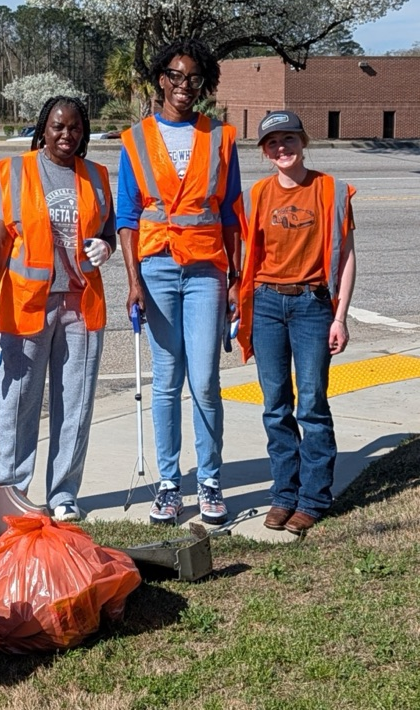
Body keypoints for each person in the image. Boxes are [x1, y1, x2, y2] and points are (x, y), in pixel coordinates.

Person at [117, 38, 244, 526]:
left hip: (207, 269)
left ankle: (209, 479)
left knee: (206, 379)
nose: (183, 86)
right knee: (167, 380)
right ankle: (170, 484)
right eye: (174, 76)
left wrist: (234, 278)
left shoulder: (220, 137)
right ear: (160, 80)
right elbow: (128, 216)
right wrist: (133, 282)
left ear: (203, 83)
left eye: (193, 78)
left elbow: (231, 213)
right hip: (157, 269)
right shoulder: (136, 139)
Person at [0, 95, 116, 522]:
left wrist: (106, 246)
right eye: (57, 126)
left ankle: (64, 495)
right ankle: (9, 489)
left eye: (74, 128)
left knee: (74, 404)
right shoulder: (17, 171)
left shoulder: (95, 176)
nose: (66, 135)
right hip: (24, 306)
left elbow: (108, 229)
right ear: (42, 128)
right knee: (16, 403)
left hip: (80, 306)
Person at [237, 110, 357, 535]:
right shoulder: (254, 197)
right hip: (267, 305)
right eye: (273, 142)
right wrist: (241, 306)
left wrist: (339, 317)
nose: (281, 148)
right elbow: (244, 258)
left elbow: (345, 258)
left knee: (312, 405)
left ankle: (313, 498)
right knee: (274, 406)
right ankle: (283, 494)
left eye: (288, 139)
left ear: (303, 142)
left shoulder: (331, 190)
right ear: (265, 152)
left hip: (312, 305)